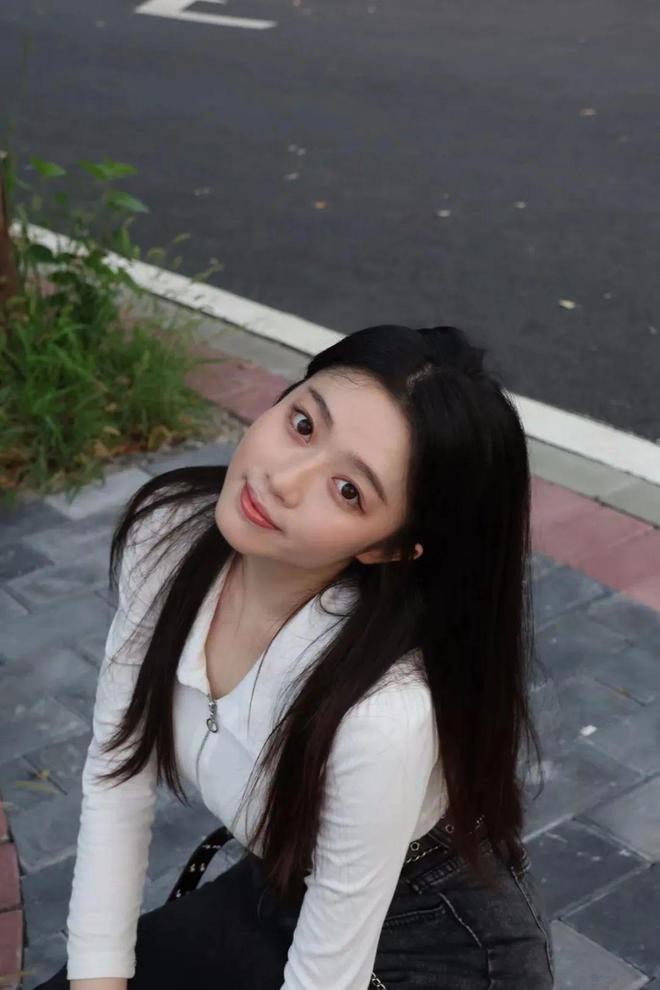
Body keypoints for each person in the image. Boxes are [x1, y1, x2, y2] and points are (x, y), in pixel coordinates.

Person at [36, 324, 555, 989]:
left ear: (389, 547)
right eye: (304, 424)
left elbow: (326, 978)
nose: (283, 479)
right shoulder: (167, 539)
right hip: (285, 884)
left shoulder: (381, 716)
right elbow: (118, 775)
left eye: (348, 490)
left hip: (433, 940)